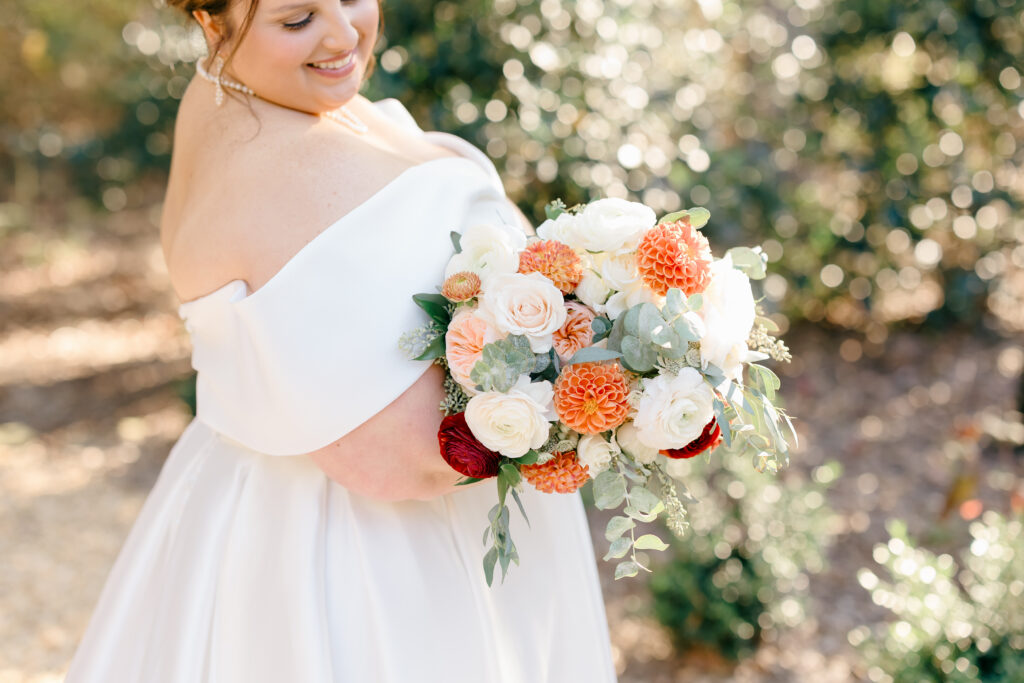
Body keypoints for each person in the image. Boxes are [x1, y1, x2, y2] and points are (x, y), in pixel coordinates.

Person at [64, 0, 618, 681]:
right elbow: (394, 462)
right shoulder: (278, 168)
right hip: (368, 562)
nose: (342, 34)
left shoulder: (225, 89)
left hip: (249, 496)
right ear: (211, 21)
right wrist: (606, 397)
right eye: (297, 20)